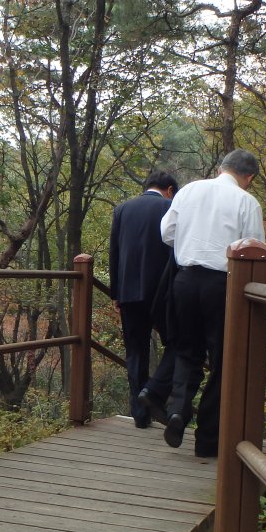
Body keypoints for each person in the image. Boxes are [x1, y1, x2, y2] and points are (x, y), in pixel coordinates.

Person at [159, 149, 265, 457]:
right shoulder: (247, 202)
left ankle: (178, 409)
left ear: (222, 168)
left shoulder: (189, 190)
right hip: (223, 284)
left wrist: (192, 241)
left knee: (186, 350)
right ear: (249, 177)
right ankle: (207, 439)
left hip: (185, 280)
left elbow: (167, 233)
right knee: (223, 359)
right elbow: (256, 250)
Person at [109, 171, 180, 428]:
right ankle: (158, 394)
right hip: (163, 293)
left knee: (135, 352)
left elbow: (114, 252)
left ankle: (140, 416)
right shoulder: (171, 207)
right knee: (178, 343)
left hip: (129, 292)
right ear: (169, 189)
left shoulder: (123, 209)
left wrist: (115, 293)